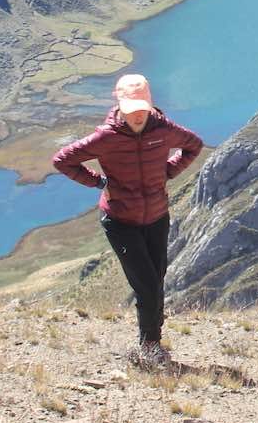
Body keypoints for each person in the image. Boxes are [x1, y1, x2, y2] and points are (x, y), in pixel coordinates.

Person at [52, 73, 203, 367]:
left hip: (157, 216)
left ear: (150, 105)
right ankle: (150, 347)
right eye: (131, 109)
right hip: (120, 220)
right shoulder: (106, 137)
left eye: (141, 109)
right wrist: (97, 183)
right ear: (120, 105)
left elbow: (193, 145)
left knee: (156, 281)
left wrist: (168, 172)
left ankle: (152, 338)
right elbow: (63, 160)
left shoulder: (163, 129)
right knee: (146, 284)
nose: (137, 116)